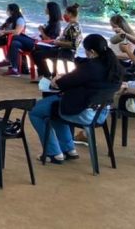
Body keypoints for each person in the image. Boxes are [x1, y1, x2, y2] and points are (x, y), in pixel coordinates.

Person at [29, 34, 122, 163]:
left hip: (84, 113)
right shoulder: (115, 67)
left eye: (86, 50)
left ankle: (53, 153)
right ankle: (68, 149)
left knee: (35, 111)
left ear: (92, 51)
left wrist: (57, 80)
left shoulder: (90, 67)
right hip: (101, 113)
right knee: (53, 109)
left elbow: (63, 83)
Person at [4, 2, 61, 77]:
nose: (45, 9)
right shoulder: (50, 22)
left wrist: (41, 31)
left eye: (47, 8)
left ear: (51, 10)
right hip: (37, 41)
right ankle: (15, 69)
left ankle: (8, 60)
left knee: (15, 36)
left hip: (41, 44)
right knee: (15, 43)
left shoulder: (55, 24)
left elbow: (49, 39)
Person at [31, 4, 83, 80]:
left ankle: (46, 75)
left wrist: (58, 43)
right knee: (37, 50)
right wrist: (58, 40)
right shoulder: (72, 25)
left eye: (65, 13)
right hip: (61, 49)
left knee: (38, 54)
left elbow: (73, 44)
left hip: (66, 52)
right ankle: (47, 74)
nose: (64, 15)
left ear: (70, 14)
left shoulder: (73, 27)